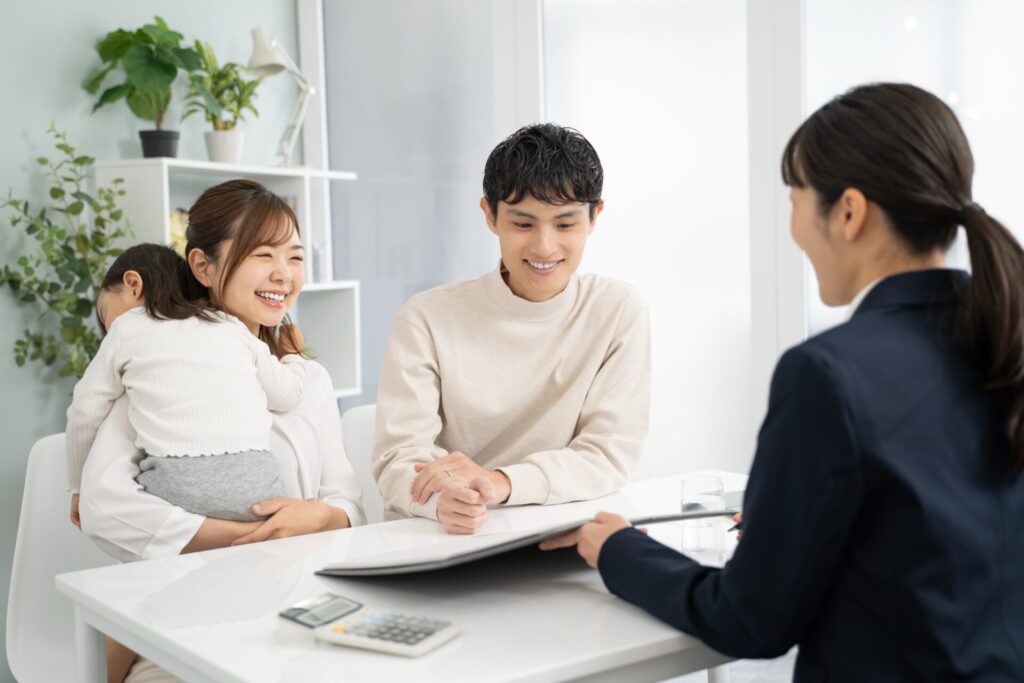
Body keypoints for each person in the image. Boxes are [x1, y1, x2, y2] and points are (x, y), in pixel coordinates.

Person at [542, 83, 1024, 681]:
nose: (793, 225)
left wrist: (617, 549)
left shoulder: (828, 374)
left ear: (848, 212)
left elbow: (751, 620)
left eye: (795, 198)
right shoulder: (1006, 337)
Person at [76, 180, 364, 683]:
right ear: (202, 266)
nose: (283, 274)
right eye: (262, 254)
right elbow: (104, 505)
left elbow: (350, 507)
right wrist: (245, 540)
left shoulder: (308, 380)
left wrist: (318, 515)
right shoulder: (153, 380)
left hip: (296, 620)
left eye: (294, 257)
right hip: (181, 634)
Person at [372, 123, 651, 534]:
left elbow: (608, 454)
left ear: (595, 217)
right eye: (523, 224)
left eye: (565, 224)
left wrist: (501, 483)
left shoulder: (617, 310)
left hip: (560, 530)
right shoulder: (426, 318)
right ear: (490, 215)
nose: (543, 246)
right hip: (449, 536)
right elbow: (398, 457)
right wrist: (442, 499)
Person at [67, 243, 306, 526]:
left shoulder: (127, 327)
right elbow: (287, 395)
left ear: (133, 284)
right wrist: (292, 354)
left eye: (105, 316)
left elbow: (84, 410)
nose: (107, 330)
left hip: (175, 491)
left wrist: (78, 486)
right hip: (259, 493)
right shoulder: (229, 326)